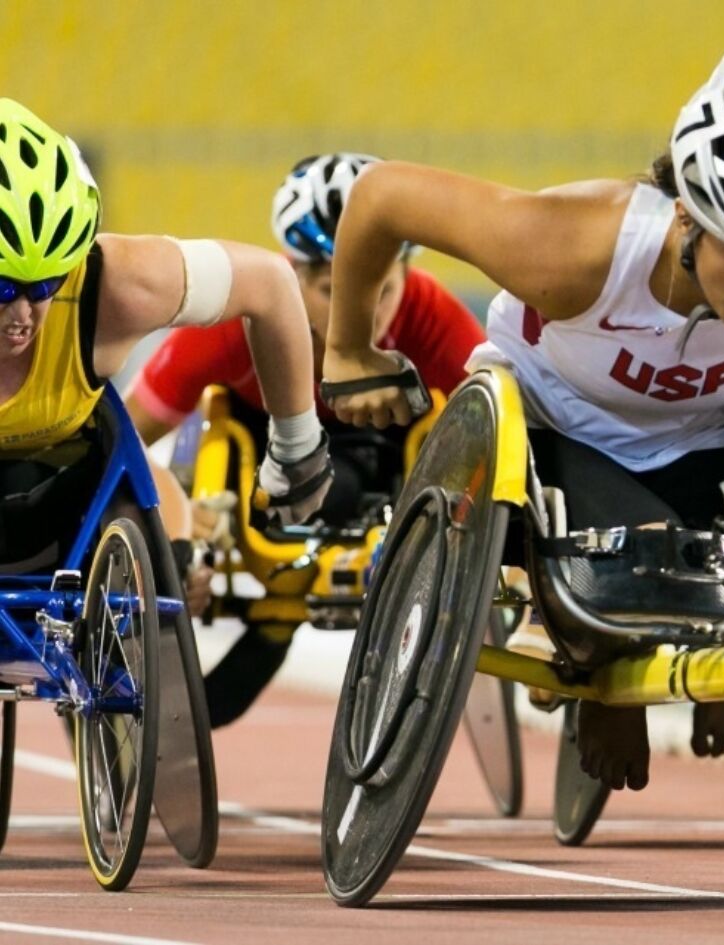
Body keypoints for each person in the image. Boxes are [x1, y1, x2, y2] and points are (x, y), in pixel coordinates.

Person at [320, 54, 724, 793]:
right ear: (688, 213)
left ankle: (713, 668)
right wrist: (347, 348)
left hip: (704, 434)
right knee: (639, 578)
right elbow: (382, 196)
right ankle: (594, 672)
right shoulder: (573, 249)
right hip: (560, 429)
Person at [123, 152, 487, 727]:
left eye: (382, 287)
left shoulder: (428, 310)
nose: (360, 311)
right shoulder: (233, 318)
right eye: (332, 287)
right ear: (290, 275)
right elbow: (121, 437)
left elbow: (504, 424)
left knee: (437, 423)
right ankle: (272, 619)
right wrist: (173, 538)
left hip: (380, 457)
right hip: (263, 464)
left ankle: (279, 622)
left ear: (406, 276)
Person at [0, 98, 326, 571]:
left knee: (176, 569)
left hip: (63, 498)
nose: (22, 315)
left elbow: (271, 285)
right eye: (4, 288)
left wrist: (299, 449)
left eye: (45, 285)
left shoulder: (116, 286)